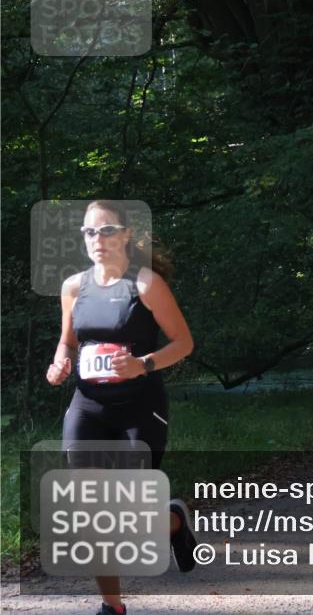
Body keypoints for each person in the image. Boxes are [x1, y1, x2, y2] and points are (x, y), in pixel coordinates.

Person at [45, 200, 197, 615]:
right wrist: (60, 362)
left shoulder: (146, 285)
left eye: (107, 230)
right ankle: (112, 606)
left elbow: (184, 343)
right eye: (89, 233)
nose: (97, 240)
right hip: (88, 407)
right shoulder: (74, 287)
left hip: (140, 408)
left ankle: (173, 522)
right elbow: (68, 341)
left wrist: (142, 364)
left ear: (127, 235)